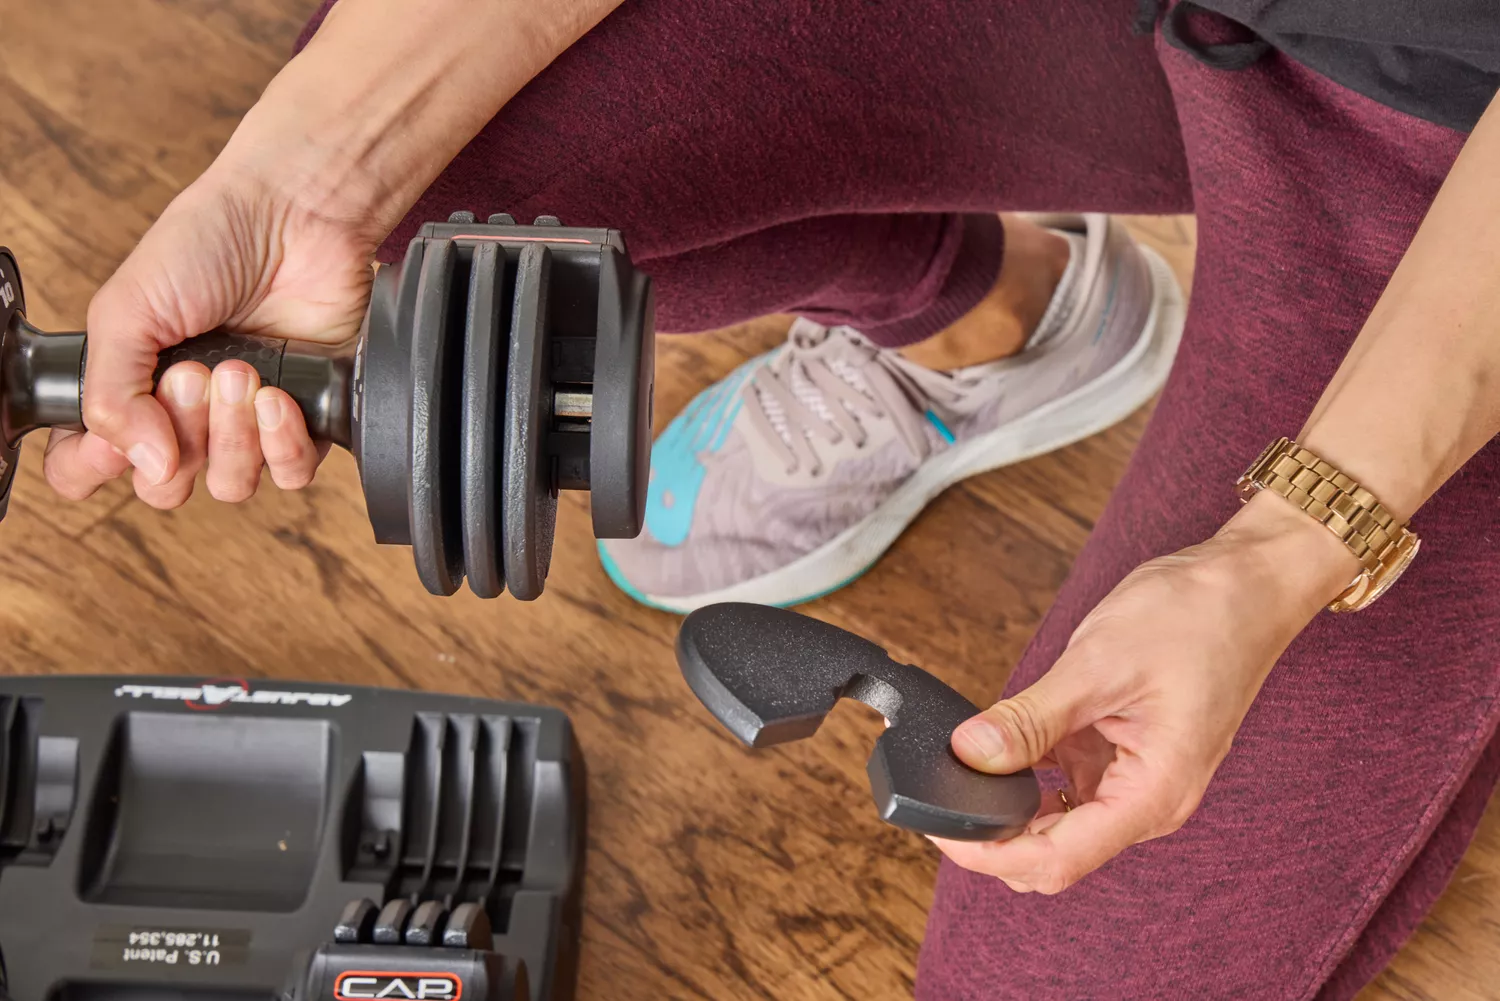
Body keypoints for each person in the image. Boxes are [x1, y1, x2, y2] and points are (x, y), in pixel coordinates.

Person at [43, 0, 1500, 996]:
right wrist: (310, 179)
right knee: (437, 229)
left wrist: (1288, 547)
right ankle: (985, 324)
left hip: (1436, 130)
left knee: (1062, 954)